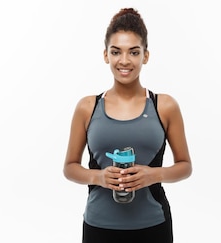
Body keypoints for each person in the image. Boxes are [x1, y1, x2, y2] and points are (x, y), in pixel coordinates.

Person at [63, 7, 193, 243]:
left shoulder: (164, 106)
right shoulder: (87, 107)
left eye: (133, 52)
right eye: (116, 52)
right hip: (98, 226)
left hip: (153, 226)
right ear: (106, 55)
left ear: (145, 56)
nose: (124, 61)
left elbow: (185, 166)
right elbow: (70, 167)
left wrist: (152, 174)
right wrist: (99, 178)